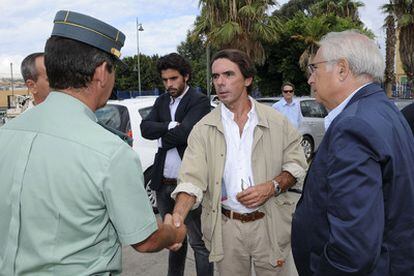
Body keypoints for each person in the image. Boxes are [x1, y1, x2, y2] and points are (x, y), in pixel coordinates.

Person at [0, 10, 186, 275]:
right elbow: (146, 240)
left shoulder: (7, 134)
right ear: (101, 73)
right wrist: (173, 232)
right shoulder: (109, 152)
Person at [170, 49, 308, 276]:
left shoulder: (277, 121)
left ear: (248, 79)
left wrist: (271, 186)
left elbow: (296, 166)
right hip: (227, 229)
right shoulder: (203, 129)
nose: (220, 83)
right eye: (215, 77)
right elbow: (190, 180)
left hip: (270, 224)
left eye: (228, 75)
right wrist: (177, 217)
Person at [291, 30, 414, 275]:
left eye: (314, 68)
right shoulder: (384, 111)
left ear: (342, 69)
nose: (310, 79)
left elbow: (353, 247)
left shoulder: (353, 126)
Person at [140, 53, 213, 276]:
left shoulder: (199, 101)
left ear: (186, 76)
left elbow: (187, 134)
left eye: (173, 79)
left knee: (199, 244)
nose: (169, 84)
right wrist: (171, 125)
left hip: (189, 186)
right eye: (165, 80)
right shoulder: (162, 101)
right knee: (173, 241)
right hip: (163, 184)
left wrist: (161, 136)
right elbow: (145, 129)